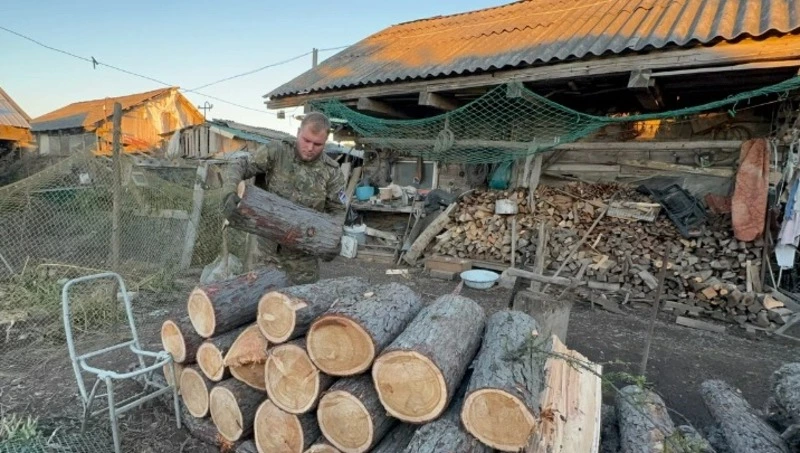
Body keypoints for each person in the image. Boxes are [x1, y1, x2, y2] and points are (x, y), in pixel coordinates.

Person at [220, 112, 347, 284]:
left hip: (303, 263)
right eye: (306, 140)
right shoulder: (277, 152)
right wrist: (230, 190)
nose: (310, 148)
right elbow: (241, 164)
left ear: (325, 143)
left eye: (317, 144)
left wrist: (333, 237)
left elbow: (338, 210)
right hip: (266, 254)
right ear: (298, 133)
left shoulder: (331, 172)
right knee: (259, 305)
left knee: (300, 307)